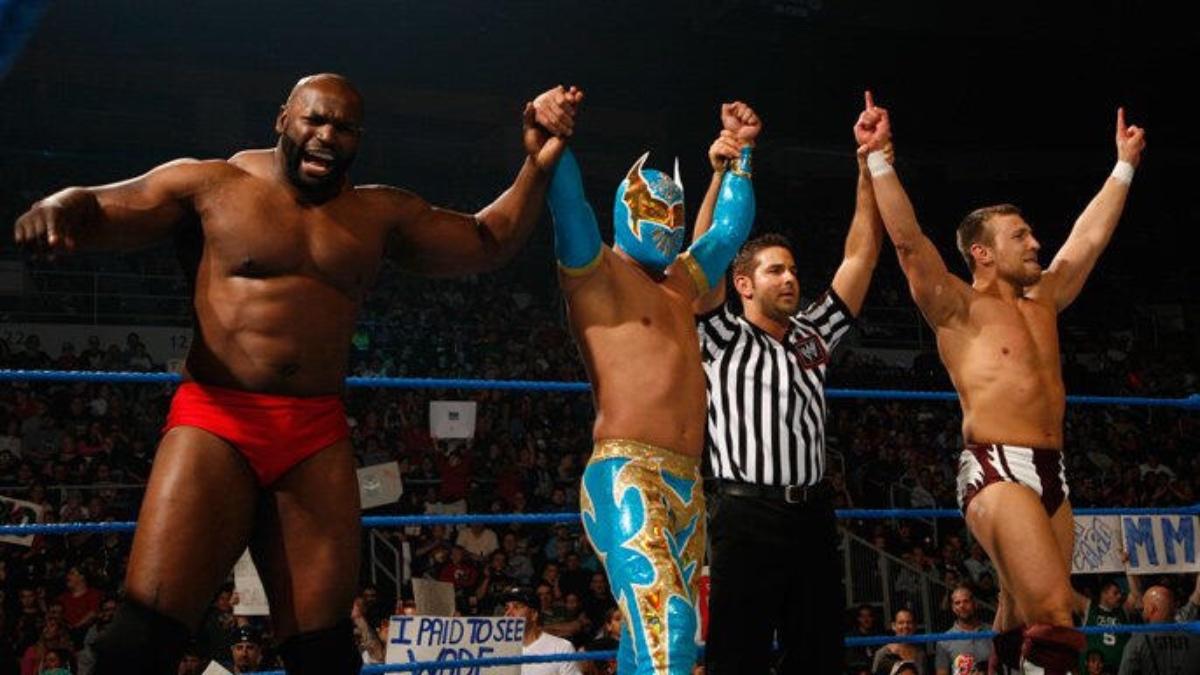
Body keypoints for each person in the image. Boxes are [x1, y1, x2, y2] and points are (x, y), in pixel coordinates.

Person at [13, 73, 576, 675]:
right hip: (217, 417)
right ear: (284, 118)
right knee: (142, 638)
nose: (326, 135)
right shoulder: (213, 185)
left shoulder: (376, 213)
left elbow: (487, 240)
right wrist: (58, 207)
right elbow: (110, 202)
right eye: (315, 119)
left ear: (359, 138)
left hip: (313, 433)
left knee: (324, 651)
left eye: (343, 127)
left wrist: (536, 164)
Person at [858, 91, 1146, 674]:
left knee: (1019, 618)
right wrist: (879, 158)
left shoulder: (1045, 300)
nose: (1037, 243)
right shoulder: (957, 306)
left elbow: (1087, 241)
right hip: (996, 466)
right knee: (1057, 614)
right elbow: (910, 244)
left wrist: (1124, 167)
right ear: (983, 252)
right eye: (1021, 236)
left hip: (1052, 470)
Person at [539, 93, 760, 675]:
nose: (665, 223)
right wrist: (551, 134)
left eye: (673, 213)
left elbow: (731, 229)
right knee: (672, 625)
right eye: (653, 211)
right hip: (626, 473)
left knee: (648, 647)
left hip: (688, 481)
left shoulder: (682, 283)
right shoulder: (595, 273)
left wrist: (740, 155)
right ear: (627, 210)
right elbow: (568, 204)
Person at [695, 95, 887, 674]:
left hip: (811, 515)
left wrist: (866, 164)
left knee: (818, 654)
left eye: (793, 270)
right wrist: (725, 168)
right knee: (738, 655)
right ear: (743, 283)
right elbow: (701, 259)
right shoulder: (722, 334)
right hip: (744, 513)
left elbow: (861, 254)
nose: (790, 278)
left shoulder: (813, 334)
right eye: (775, 270)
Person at [1117, 584, 1200, 674]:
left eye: (1144, 607)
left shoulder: (1137, 642)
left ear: (1151, 609)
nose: (1142, 610)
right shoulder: (1195, 639)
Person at [502, 586, 582, 675]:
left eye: (516, 607)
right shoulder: (496, 650)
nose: (508, 614)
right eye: (506, 608)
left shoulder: (561, 648)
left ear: (534, 614)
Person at [1073, 579, 1137, 674]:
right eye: (1115, 593)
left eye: (1120, 593)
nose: (1119, 596)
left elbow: (1136, 596)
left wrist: (1129, 568)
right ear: (1104, 594)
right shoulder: (1090, 608)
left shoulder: (1123, 610)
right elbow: (1069, 593)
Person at [933, 586, 990, 675]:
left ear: (974, 603)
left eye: (966, 601)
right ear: (953, 608)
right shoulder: (944, 641)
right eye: (957, 603)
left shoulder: (992, 632)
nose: (962, 606)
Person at [872, 609, 926, 675]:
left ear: (915, 626)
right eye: (901, 623)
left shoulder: (920, 653)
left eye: (909, 622)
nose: (905, 626)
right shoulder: (882, 653)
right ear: (893, 626)